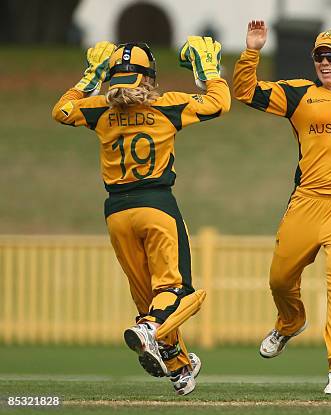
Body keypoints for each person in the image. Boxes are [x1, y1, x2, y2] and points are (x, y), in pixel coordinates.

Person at [51, 37, 231, 395]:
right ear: (149, 78)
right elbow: (219, 104)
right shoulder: (166, 106)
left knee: (149, 295)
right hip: (156, 204)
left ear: (112, 75)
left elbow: (62, 110)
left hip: (117, 212)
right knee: (176, 291)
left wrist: (91, 76)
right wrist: (209, 70)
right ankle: (150, 328)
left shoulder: (100, 108)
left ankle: (178, 365)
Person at [233, 21, 331, 395]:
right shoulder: (299, 94)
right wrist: (252, 50)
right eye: (318, 56)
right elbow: (245, 92)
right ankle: (290, 322)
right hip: (307, 202)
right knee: (279, 279)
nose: (324, 62)